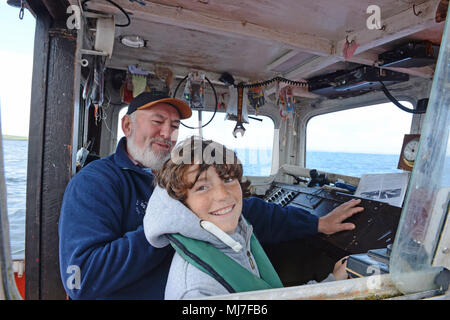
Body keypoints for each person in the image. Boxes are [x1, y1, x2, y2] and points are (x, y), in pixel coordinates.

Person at [58, 90, 364, 299]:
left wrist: (315, 224)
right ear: (127, 124)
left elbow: (248, 211)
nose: (168, 133)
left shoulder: (173, 175)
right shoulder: (96, 183)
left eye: (175, 125)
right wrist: (168, 231)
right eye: (158, 122)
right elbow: (80, 279)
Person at [144, 137, 349, 299]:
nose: (223, 194)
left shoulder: (234, 235)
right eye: (202, 187)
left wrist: (332, 282)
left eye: (228, 179)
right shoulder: (198, 291)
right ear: (182, 202)